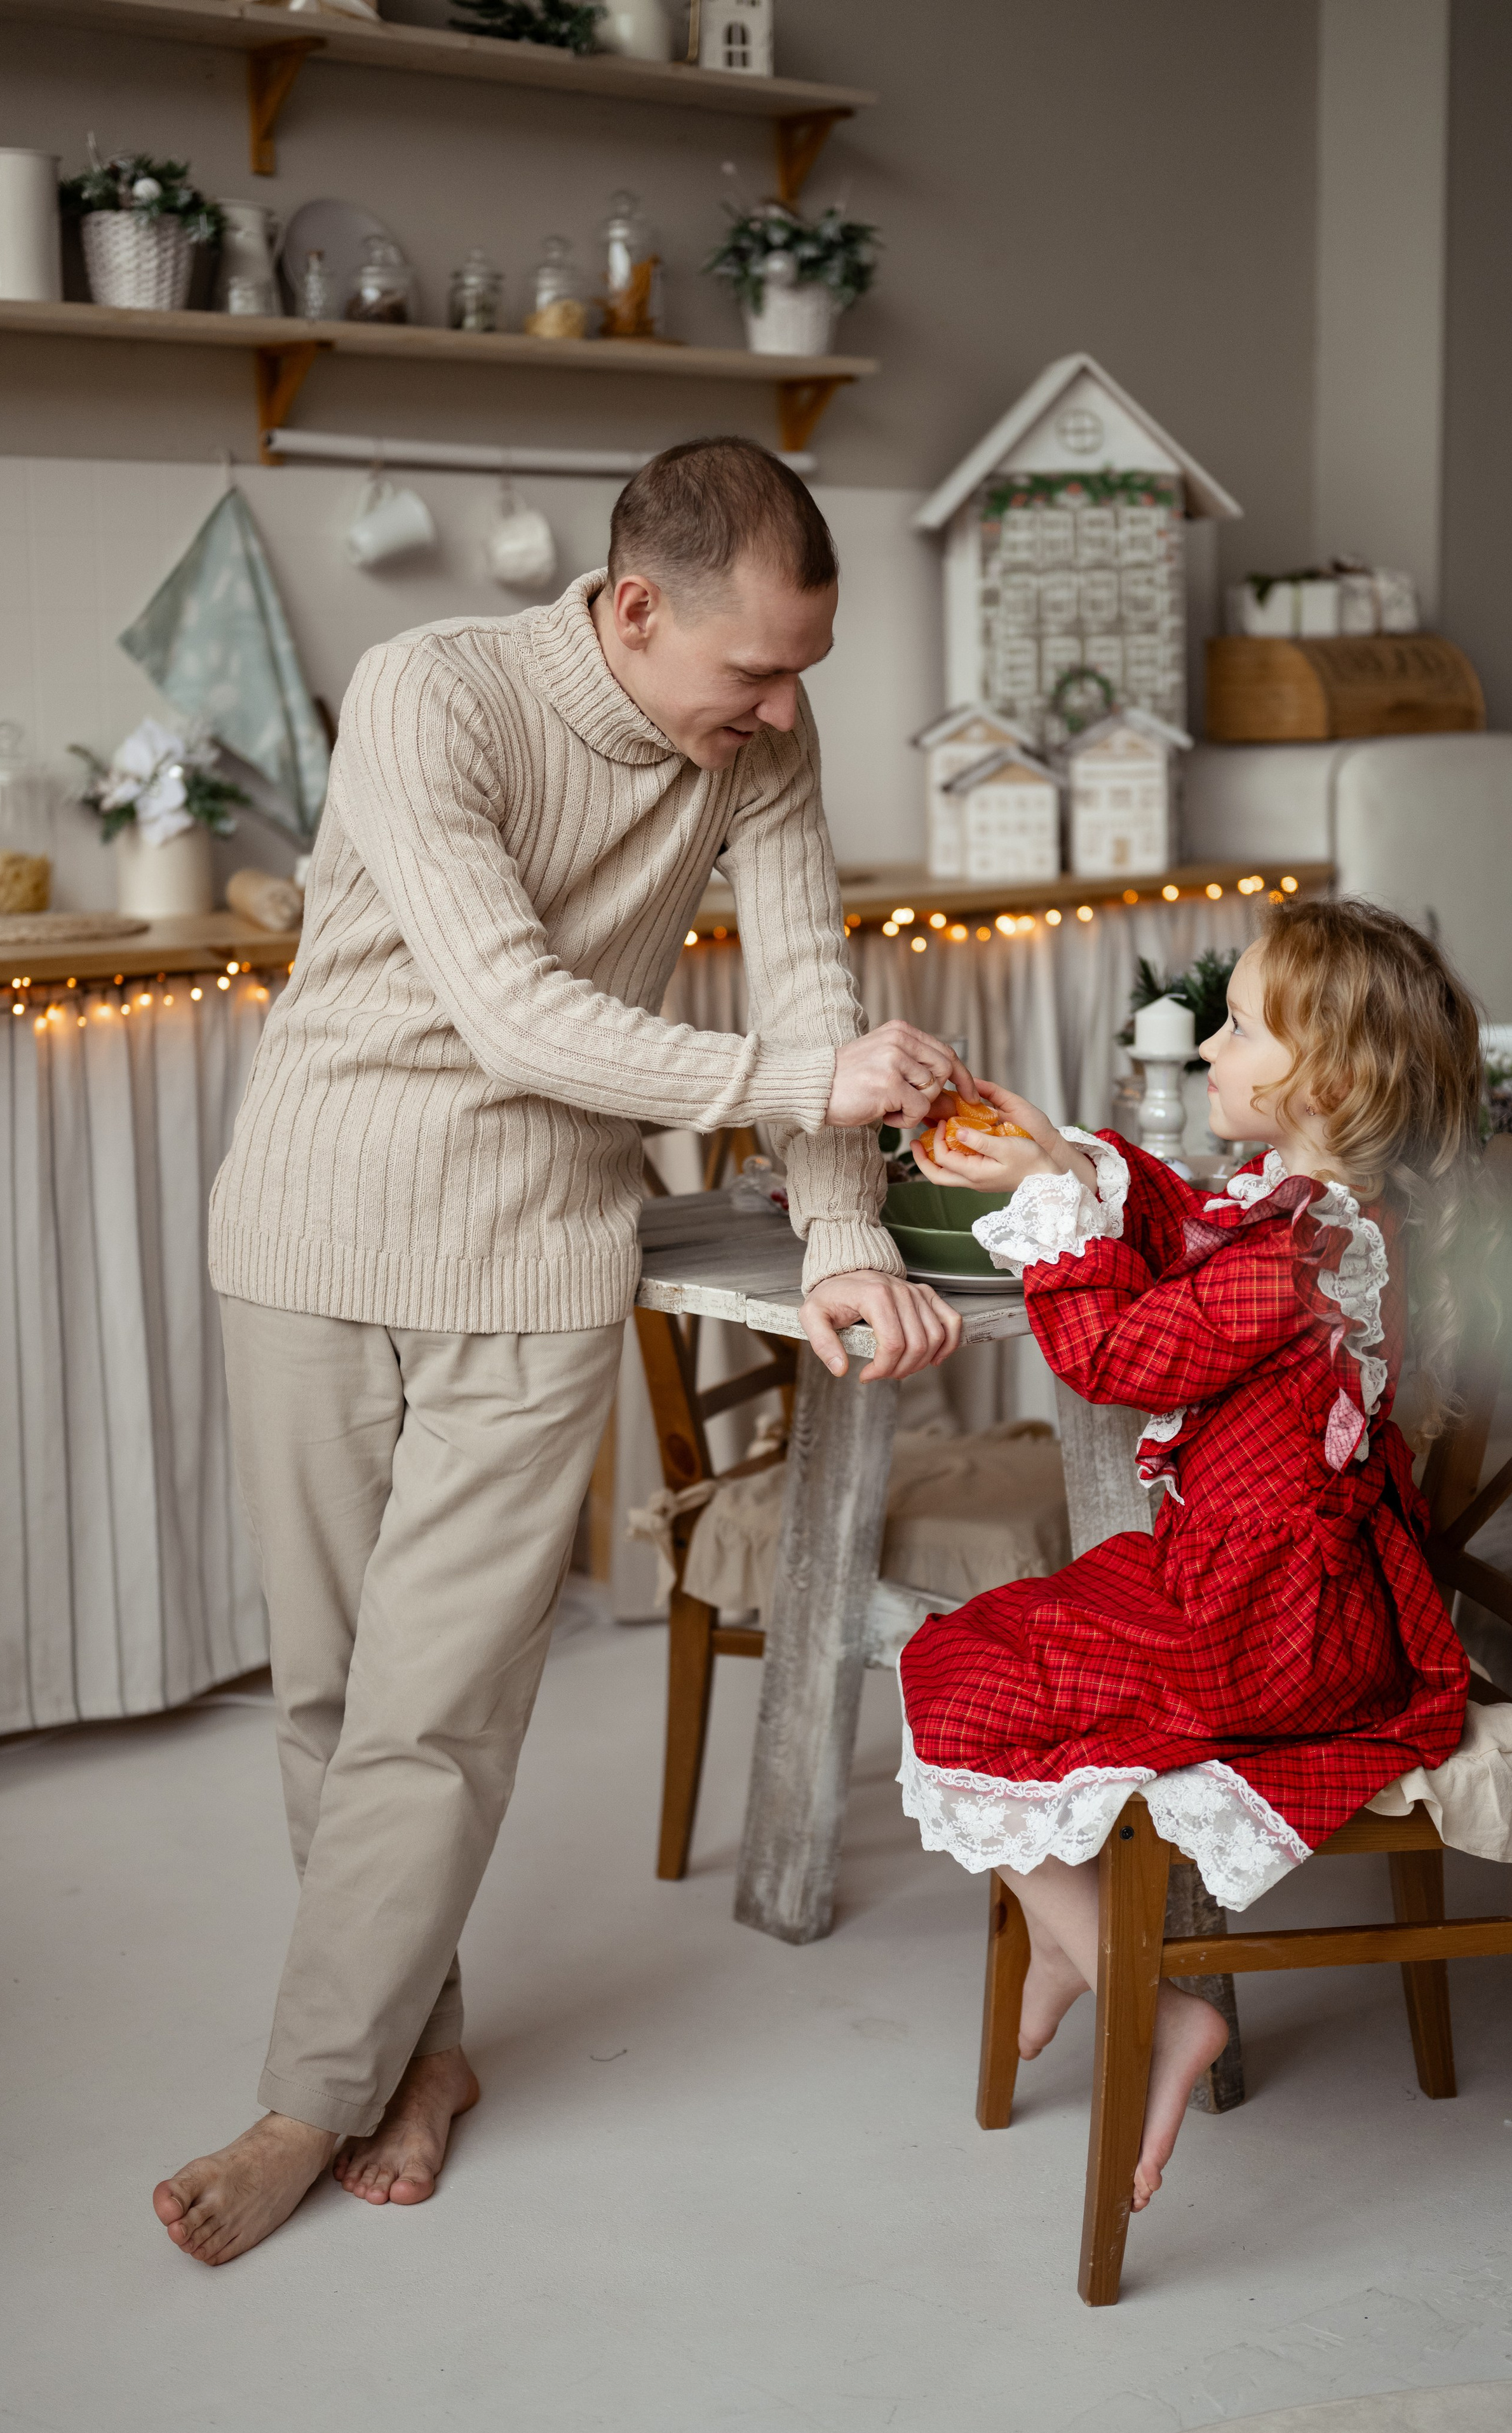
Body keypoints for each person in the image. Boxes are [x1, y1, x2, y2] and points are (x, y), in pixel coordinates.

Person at [154, 437, 969, 2267]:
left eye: (801, 674)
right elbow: (509, 1008)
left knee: (434, 1709)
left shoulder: (763, 739)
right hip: (304, 1227)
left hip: (529, 1264)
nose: (777, 708)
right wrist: (791, 1085)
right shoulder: (428, 691)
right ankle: (416, 2058)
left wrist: (842, 1228)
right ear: (628, 607)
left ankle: (304, 2097)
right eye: (750, 671)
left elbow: (804, 983)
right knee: (329, 1691)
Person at [900, 898, 1480, 2211]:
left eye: (1233, 1028)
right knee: (959, 1653)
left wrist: (1049, 1196)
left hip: (1271, 1628)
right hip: (1254, 1587)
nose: (1207, 1050)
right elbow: (1176, 1229)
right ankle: (1076, 1948)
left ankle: (1145, 1998)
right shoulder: (1313, 1215)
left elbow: (1116, 1357)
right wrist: (1059, 1154)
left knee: (955, 1678)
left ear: (1316, 1077)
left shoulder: (1309, 1249)